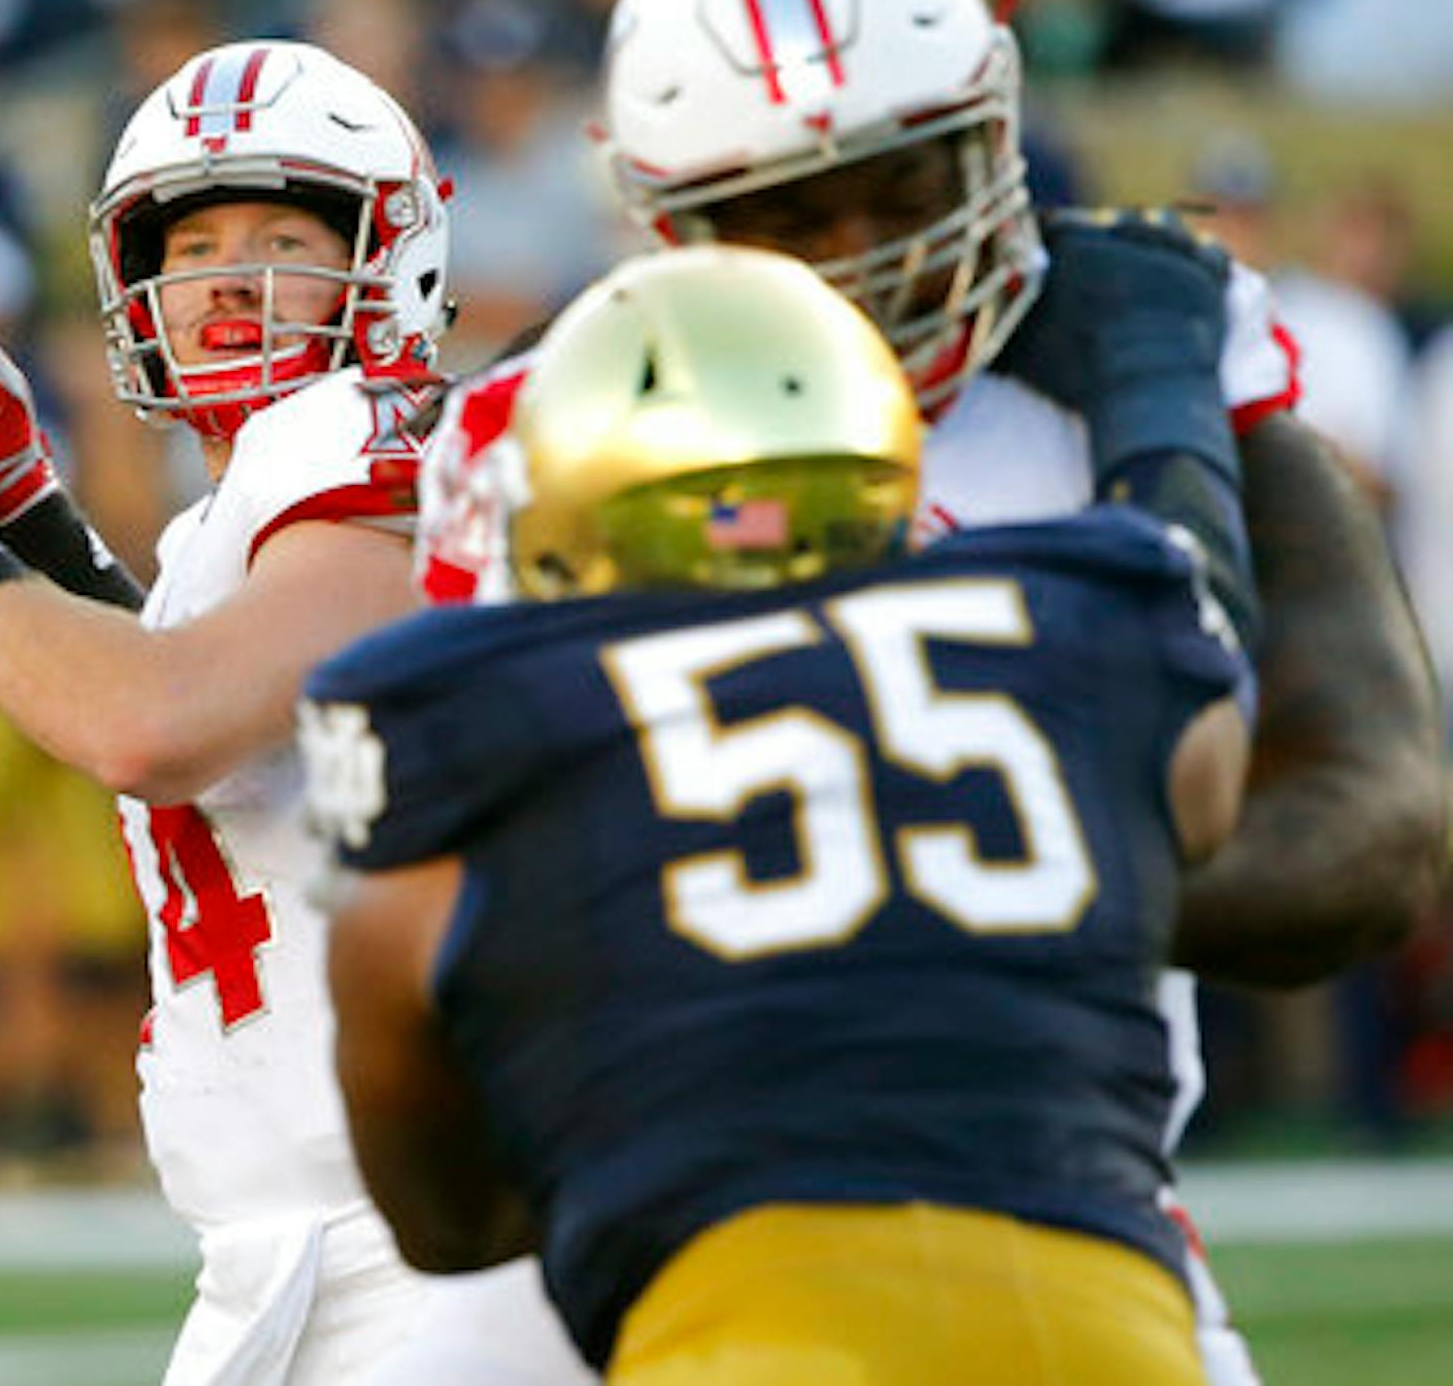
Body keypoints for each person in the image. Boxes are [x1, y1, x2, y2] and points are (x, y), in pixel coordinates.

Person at [414, 0, 1444, 1384]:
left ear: (998, 119)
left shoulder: (1149, 348)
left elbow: (1374, 825)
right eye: (784, 211)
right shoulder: (542, 429)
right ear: (655, 210)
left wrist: (858, 881)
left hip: (1054, 1183)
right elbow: (457, 924)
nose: (860, 251)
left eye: (906, 182)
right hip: (654, 1218)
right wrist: (980, 860)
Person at [306, 244, 1257, 1385]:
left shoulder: (480, 718)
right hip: (1111, 1326)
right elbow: (1209, 760)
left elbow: (447, 1225)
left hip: (748, 1339)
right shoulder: (1075, 623)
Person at [0, 39, 478, 1380]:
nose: (231, 278)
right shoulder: (229, 520)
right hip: (315, 1234)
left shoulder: (372, 435)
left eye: (287, 234)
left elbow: (156, 723)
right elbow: (208, 729)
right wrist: (24, 510)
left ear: (387, 255)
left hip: (421, 1241)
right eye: (191, 248)